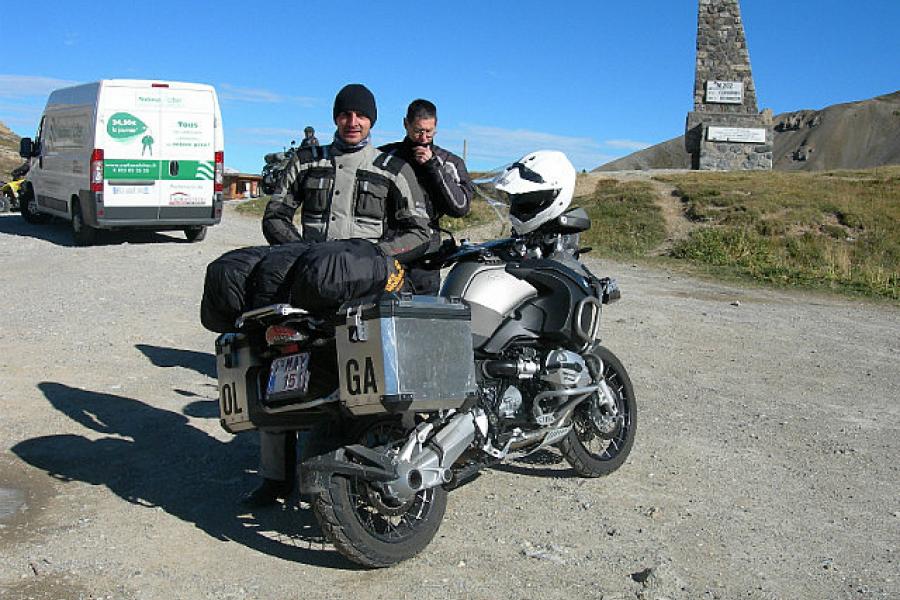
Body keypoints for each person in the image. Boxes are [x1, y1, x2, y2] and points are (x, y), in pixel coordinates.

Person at [244, 84, 431, 507]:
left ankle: (394, 460)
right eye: (345, 114)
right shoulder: (307, 161)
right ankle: (275, 478)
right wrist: (299, 253)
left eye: (360, 116)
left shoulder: (392, 167)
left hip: (364, 287)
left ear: (372, 120)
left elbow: (420, 230)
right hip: (309, 284)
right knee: (283, 367)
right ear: (335, 118)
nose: (353, 122)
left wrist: (374, 256)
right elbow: (275, 213)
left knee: (381, 374)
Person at [379, 99, 474, 294]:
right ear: (406, 124)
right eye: (418, 131)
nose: (423, 137)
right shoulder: (384, 156)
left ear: (436, 126)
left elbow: (460, 207)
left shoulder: (450, 162)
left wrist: (433, 167)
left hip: (428, 259)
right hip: (390, 252)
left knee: (425, 317)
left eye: (428, 131)